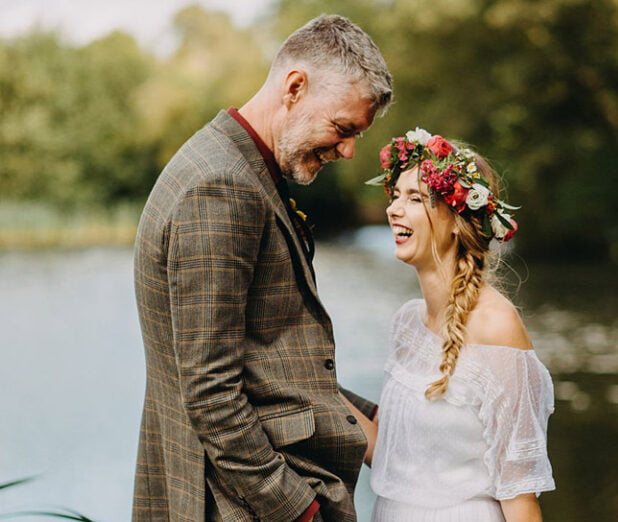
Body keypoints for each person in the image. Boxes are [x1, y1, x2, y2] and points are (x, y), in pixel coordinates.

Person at [132, 15, 392, 522]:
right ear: (295, 87)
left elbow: (269, 361)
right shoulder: (220, 187)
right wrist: (298, 509)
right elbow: (211, 393)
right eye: (343, 129)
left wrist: (381, 417)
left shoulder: (236, 165)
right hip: (230, 507)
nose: (348, 151)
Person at [364, 128, 555, 521]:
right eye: (395, 195)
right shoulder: (407, 323)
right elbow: (391, 454)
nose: (393, 209)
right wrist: (309, 386)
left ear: (456, 220)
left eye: (415, 198)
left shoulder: (497, 328)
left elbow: (520, 497)